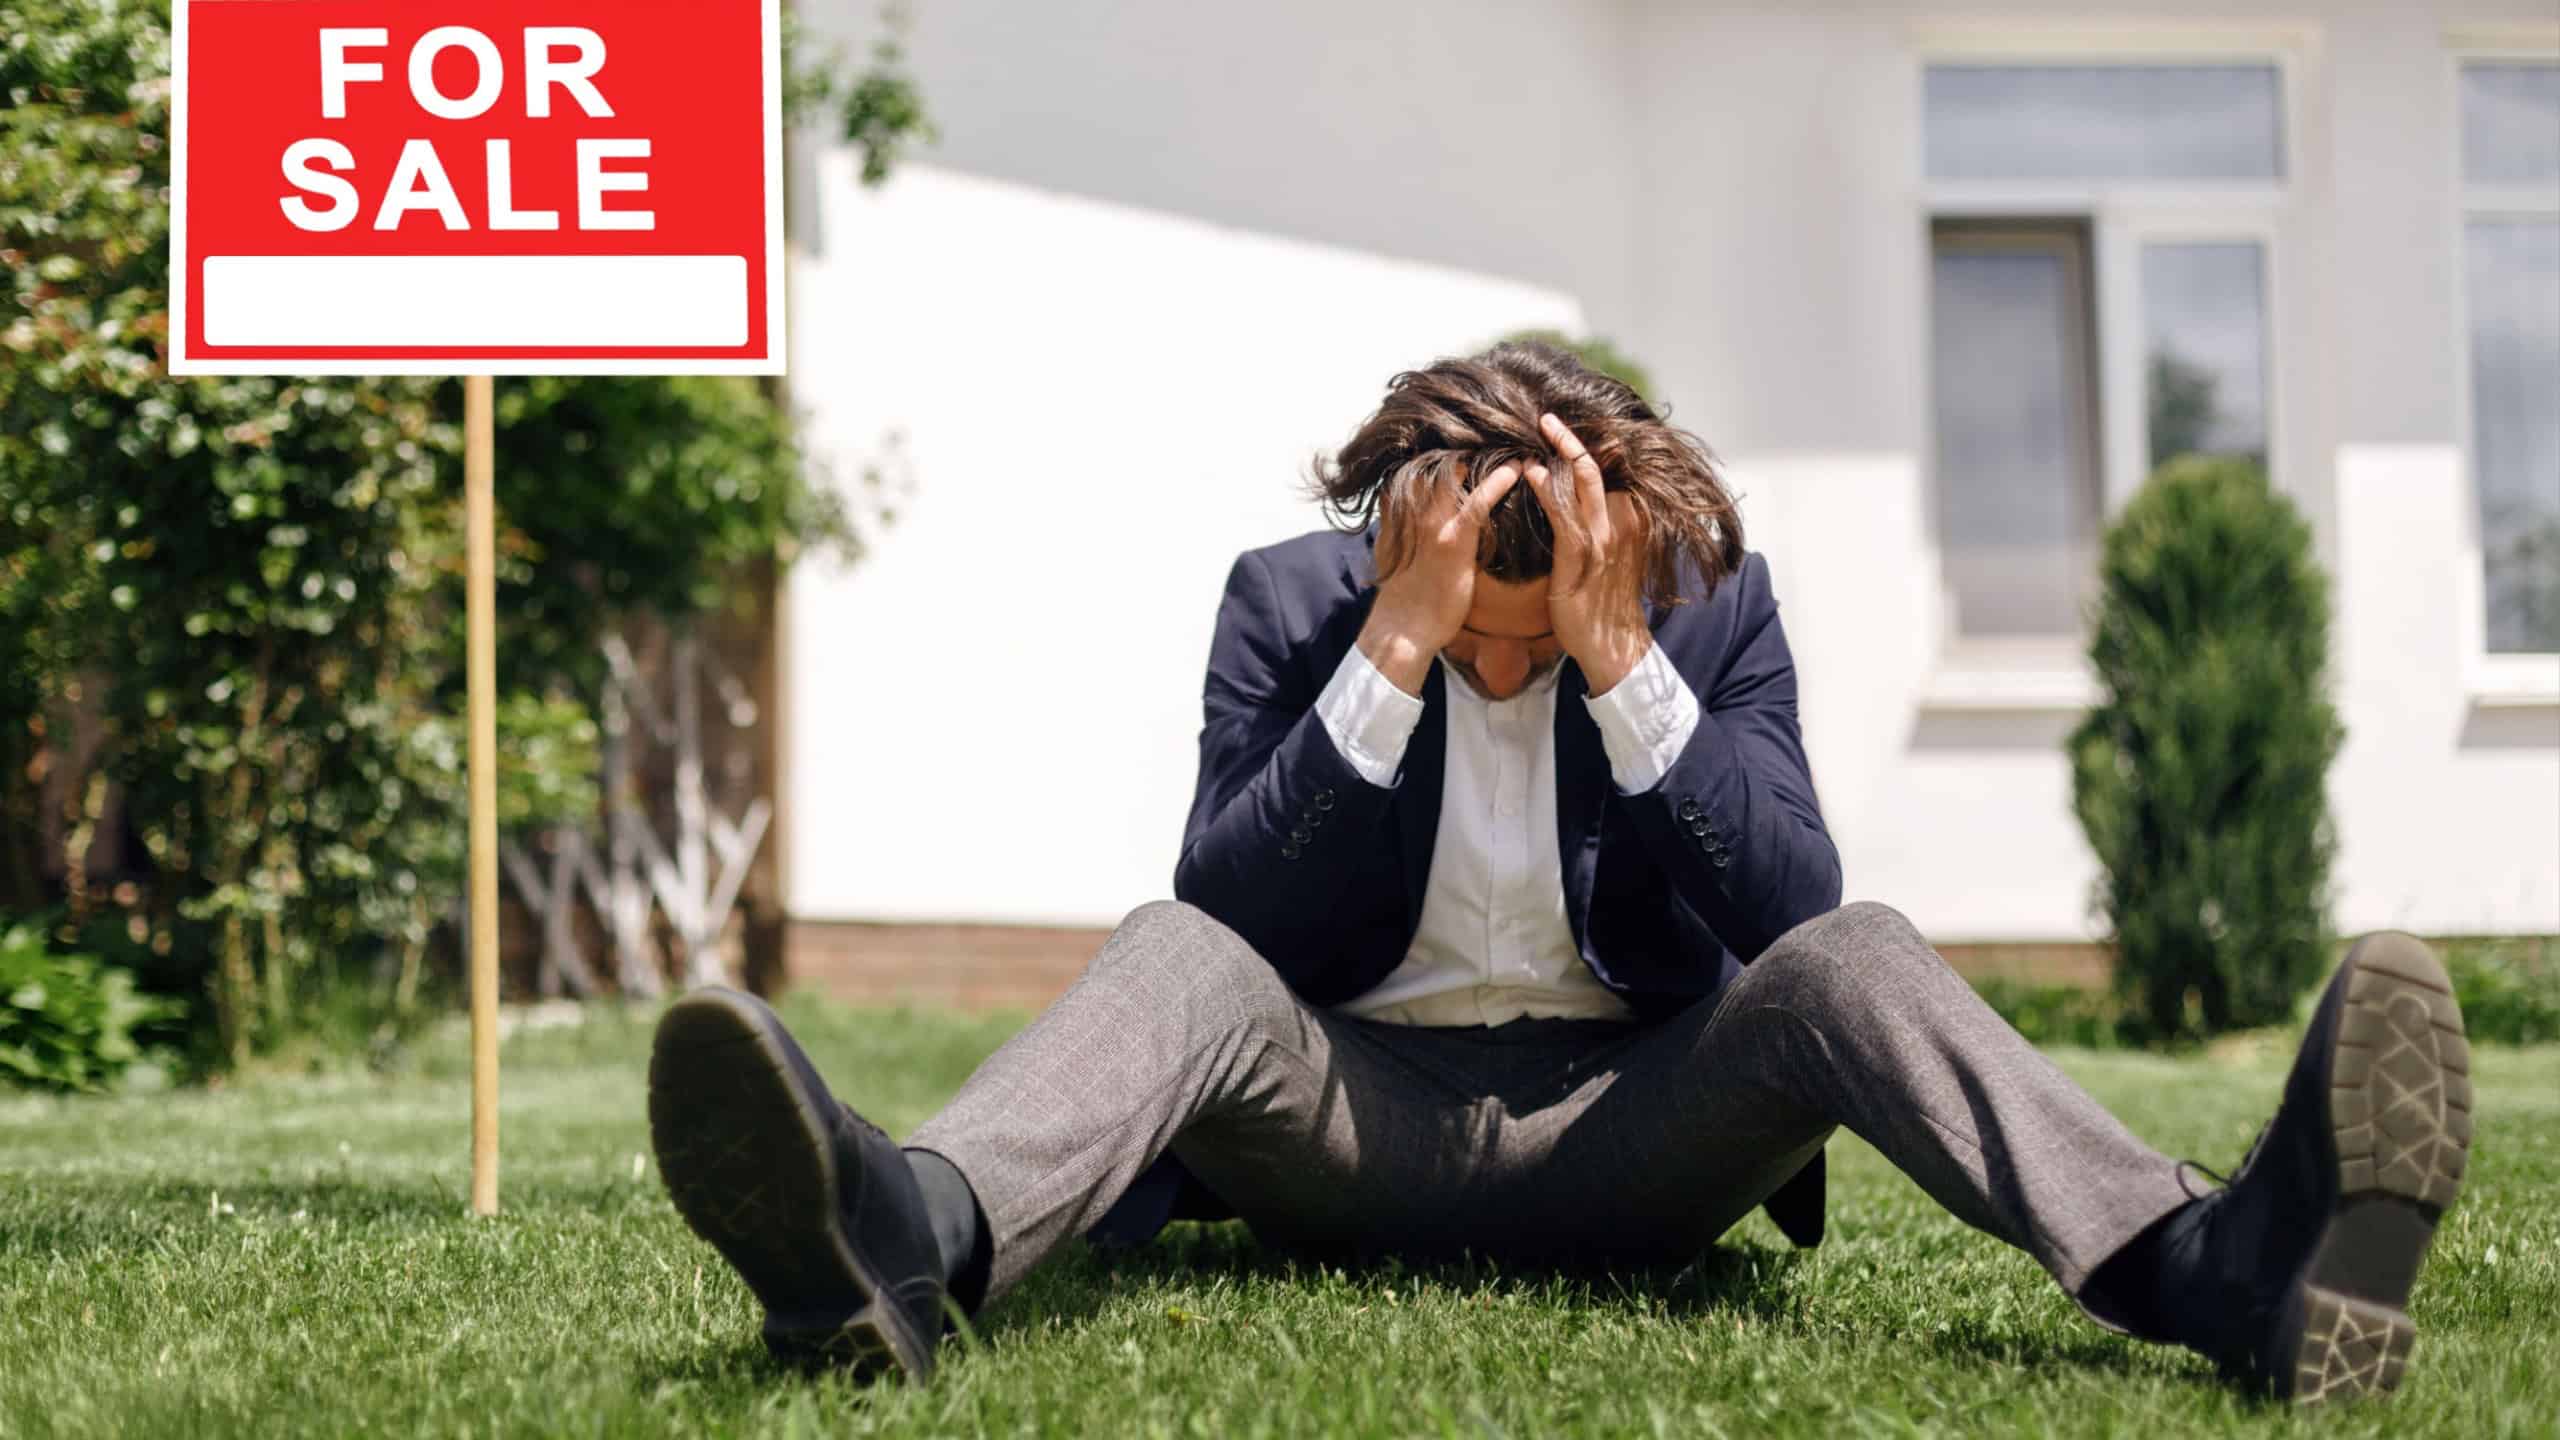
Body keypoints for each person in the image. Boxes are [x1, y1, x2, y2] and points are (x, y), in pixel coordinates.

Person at [644, 341, 2471, 1403]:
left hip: (1635, 1131)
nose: (1505, 673)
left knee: (1856, 952)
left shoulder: (1705, 604)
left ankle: (2220, 1269)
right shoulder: (1295, 608)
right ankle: (896, 1242)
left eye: (1538, 641)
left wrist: (1623, 666)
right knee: (1171, 949)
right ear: (1403, 543)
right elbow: (1233, 915)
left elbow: (1791, 913)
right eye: (1480, 640)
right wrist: (1394, 654)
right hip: (1350, 1126)